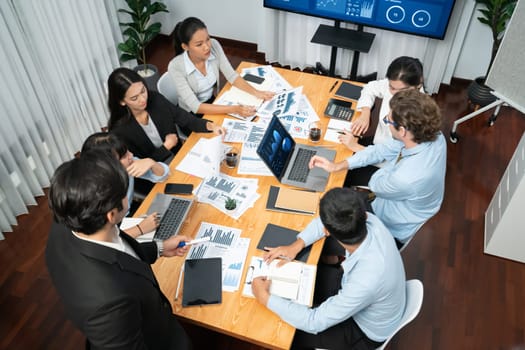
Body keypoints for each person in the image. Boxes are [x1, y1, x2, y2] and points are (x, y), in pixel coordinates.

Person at [45, 150, 192, 349]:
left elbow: (120, 250)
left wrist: (160, 248)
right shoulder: (109, 306)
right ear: (112, 214)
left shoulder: (70, 217)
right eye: (124, 194)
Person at [252, 187, 406, 350]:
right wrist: (296, 245)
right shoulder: (369, 220)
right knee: (310, 279)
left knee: (284, 333)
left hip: (363, 331)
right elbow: (325, 221)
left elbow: (313, 321)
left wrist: (264, 297)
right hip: (365, 295)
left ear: (327, 231)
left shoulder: (367, 280)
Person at [310, 89, 446, 246]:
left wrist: (392, 164)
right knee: (342, 178)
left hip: (389, 223)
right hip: (399, 194)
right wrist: (337, 166)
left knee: (328, 226)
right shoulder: (434, 135)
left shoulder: (405, 178)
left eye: (388, 121)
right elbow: (382, 150)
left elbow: (376, 184)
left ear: (402, 131)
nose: (386, 123)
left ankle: (332, 255)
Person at [107, 67, 225, 163]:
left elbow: (186, 119)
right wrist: (166, 147)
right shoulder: (119, 132)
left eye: (143, 91)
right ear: (122, 101)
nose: (143, 99)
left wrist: (211, 126)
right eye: (134, 98)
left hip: (179, 157)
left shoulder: (155, 99)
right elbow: (139, 166)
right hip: (154, 175)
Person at [168, 17, 274, 118]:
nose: (207, 47)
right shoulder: (175, 67)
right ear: (185, 47)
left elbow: (231, 75)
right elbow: (196, 107)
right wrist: (234, 109)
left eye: (207, 39)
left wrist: (257, 93)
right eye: (199, 44)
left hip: (212, 102)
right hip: (190, 115)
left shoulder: (214, 45)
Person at [81, 132, 169, 237]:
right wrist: (140, 229)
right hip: (117, 230)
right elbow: (103, 239)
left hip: (128, 217)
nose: (131, 155)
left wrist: (151, 163)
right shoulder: (93, 195)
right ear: (106, 166)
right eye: (124, 156)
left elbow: (163, 175)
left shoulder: (127, 164)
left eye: (127, 151)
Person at [347, 56, 424, 146]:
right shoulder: (395, 84)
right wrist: (365, 112)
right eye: (391, 87)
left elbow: (394, 155)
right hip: (377, 143)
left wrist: (356, 147)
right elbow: (369, 87)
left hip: (387, 156)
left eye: (401, 90)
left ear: (418, 83)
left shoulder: (419, 113)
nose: (395, 94)